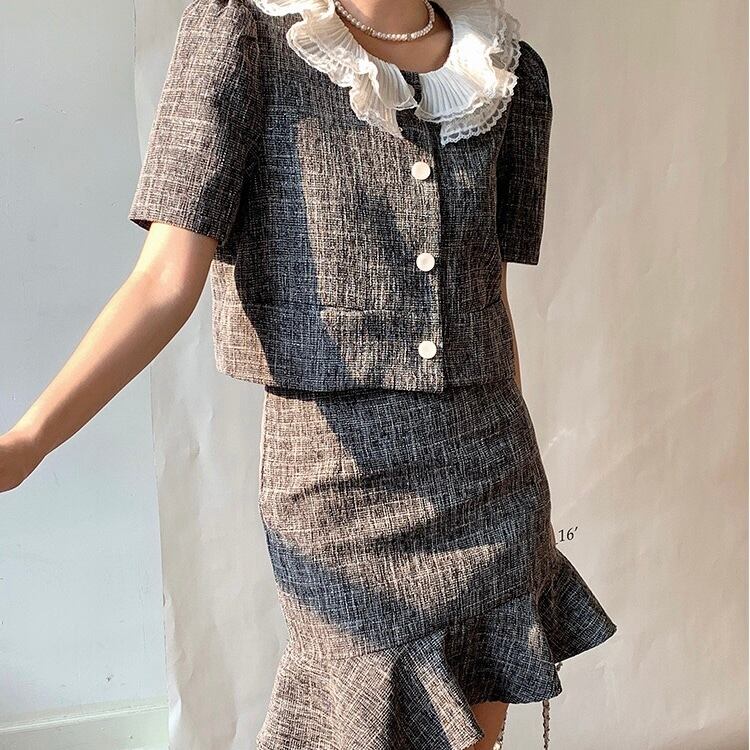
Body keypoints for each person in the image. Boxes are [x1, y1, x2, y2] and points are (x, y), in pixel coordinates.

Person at [0, 0, 617, 747]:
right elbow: (162, 282)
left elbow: (489, 296)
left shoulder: (506, 70)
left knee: (477, 738)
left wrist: (523, 459)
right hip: (332, 481)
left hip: (492, 473)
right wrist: (30, 441)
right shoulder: (244, 38)